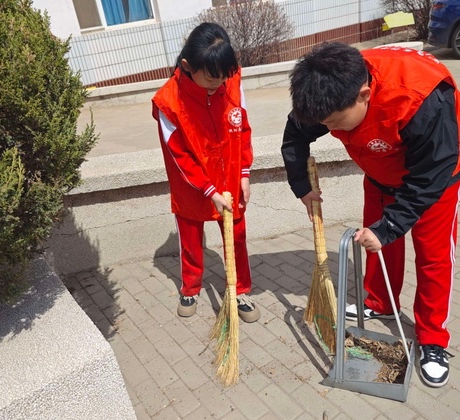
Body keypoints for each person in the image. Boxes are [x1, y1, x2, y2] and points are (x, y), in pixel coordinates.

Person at [281, 42, 460, 388]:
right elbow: (295, 137)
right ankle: (377, 301)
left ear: (364, 94)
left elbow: (431, 173)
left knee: (434, 257)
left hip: (435, 180)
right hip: (380, 176)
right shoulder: (328, 92)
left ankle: (433, 337)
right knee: (375, 243)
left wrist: (392, 224)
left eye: (334, 123)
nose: (331, 128)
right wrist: (302, 186)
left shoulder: (422, 99)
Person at [151, 22, 260, 323]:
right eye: (211, 80)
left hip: (230, 176)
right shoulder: (168, 102)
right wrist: (208, 191)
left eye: (223, 78)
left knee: (236, 237)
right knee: (190, 237)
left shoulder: (232, 80)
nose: (219, 85)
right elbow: (179, 156)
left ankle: (239, 290)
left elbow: (243, 125)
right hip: (192, 184)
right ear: (187, 66)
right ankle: (190, 287)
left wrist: (245, 172)